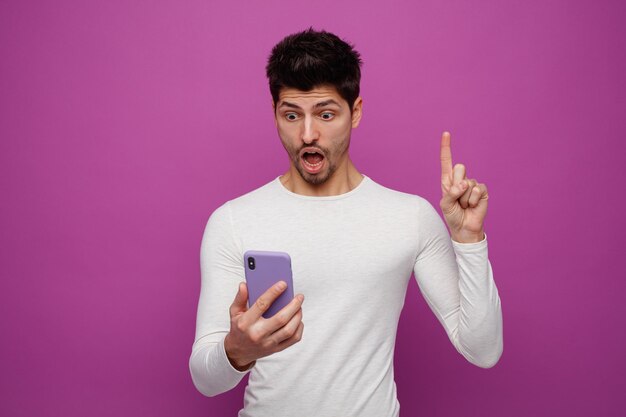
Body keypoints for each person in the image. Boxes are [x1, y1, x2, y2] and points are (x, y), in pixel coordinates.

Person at [189, 27, 503, 417]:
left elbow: (483, 350)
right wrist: (238, 351)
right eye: (292, 115)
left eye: (325, 114)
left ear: (354, 113)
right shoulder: (233, 220)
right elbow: (205, 378)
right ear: (275, 115)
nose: (308, 134)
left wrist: (469, 240)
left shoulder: (410, 217)